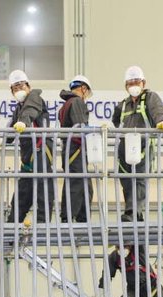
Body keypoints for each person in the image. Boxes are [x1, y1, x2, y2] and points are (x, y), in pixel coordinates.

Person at [112, 65, 163, 222]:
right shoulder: (123, 104)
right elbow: (116, 119)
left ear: (143, 83)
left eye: (136, 82)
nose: (134, 85)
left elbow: (157, 110)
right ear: (126, 86)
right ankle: (133, 212)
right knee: (126, 179)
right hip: (125, 145)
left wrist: (161, 121)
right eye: (130, 83)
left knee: (140, 179)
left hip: (143, 145)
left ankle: (133, 212)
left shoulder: (150, 98)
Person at [7, 70, 55, 224]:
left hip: (40, 150)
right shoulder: (19, 108)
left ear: (28, 86)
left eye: (20, 86)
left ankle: (42, 227)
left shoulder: (34, 97)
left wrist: (24, 121)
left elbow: (30, 112)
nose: (18, 90)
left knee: (43, 189)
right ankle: (10, 232)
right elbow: (10, 129)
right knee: (22, 194)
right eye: (14, 88)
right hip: (28, 158)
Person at [58, 75, 93, 223]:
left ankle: (81, 218)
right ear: (83, 89)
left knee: (85, 185)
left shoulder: (67, 104)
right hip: (76, 149)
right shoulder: (77, 102)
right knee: (77, 182)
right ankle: (69, 218)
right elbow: (80, 127)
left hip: (71, 150)